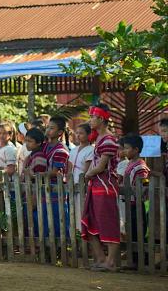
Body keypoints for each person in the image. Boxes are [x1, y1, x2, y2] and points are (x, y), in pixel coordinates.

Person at [81, 104, 120, 272]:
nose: (90, 120)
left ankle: (110, 262)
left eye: (93, 117)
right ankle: (102, 259)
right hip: (96, 185)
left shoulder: (108, 139)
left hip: (105, 186)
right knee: (91, 220)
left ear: (102, 119)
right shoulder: (99, 138)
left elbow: (101, 166)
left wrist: (87, 175)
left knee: (108, 222)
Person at [120, 134, 150, 268]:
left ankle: (140, 261)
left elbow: (143, 185)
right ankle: (136, 260)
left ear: (136, 149)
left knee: (138, 232)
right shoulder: (131, 164)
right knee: (132, 232)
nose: (124, 151)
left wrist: (136, 192)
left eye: (127, 148)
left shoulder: (140, 166)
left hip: (137, 204)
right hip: (130, 204)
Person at [67, 123, 93, 230]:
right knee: (73, 211)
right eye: (77, 133)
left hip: (83, 185)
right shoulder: (73, 150)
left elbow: (87, 170)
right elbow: (69, 167)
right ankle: (76, 235)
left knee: (82, 211)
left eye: (81, 133)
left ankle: (84, 234)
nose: (78, 135)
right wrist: (69, 180)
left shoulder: (91, 150)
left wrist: (83, 182)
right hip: (72, 183)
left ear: (89, 135)